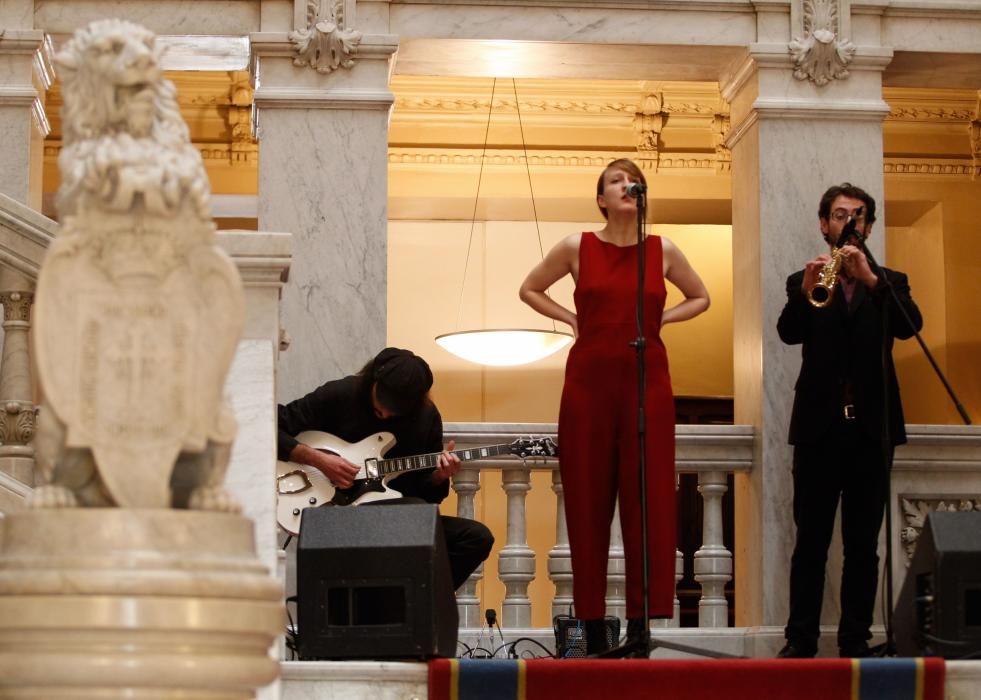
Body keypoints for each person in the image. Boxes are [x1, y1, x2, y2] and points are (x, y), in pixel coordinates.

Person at [519, 158, 710, 654]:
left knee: (648, 498)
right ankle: (590, 624)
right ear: (601, 198)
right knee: (586, 500)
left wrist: (659, 318)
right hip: (588, 382)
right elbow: (530, 289)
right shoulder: (576, 246)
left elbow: (701, 297)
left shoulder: (661, 249)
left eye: (632, 179)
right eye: (615, 181)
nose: (627, 185)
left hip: (647, 380)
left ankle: (642, 625)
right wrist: (572, 320)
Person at [776, 183, 923, 659]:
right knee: (811, 543)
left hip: (871, 430)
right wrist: (803, 293)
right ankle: (800, 641)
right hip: (819, 430)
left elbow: (910, 326)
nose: (849, 224)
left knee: (863, 545)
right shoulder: (807, 276)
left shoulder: (891, 282)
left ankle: (854, 641)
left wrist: (875, 282)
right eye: (840, 215)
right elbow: (789, 333)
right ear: (825, 224)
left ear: (870, 227)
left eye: (858, 217)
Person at [278, 347, 494, 590]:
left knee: (475, 538)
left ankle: (418, 607)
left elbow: (425, 498)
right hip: (334, 515)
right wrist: (319, 460)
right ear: (373, 380)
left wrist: (438, 476)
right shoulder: (341, 394)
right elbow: (271, 425)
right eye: (381, 403)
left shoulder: (426, 418)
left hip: (393, 516)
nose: (385, 413)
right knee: (414, 514)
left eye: (395, 410)